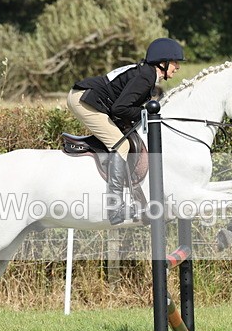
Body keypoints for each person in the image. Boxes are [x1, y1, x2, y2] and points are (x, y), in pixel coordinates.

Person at [67, 37, 185, 225]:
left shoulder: (147, 74)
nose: (177, 67)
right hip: (83, 99)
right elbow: (119, 109)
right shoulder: (146, 77)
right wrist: (145, 112)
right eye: (175, 62)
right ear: (162, 63)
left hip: (91, 98)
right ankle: (115, 208)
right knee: (121, 146)